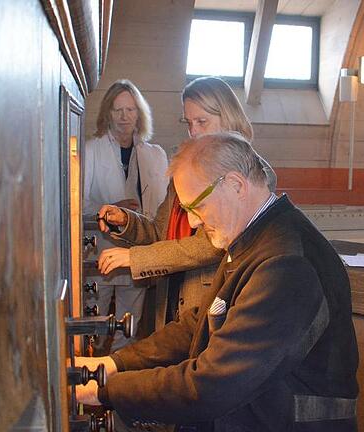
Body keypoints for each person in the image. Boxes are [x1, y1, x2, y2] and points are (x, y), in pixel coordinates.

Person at [76, 132, 359, 431]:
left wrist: (106, 390)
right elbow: (199, 324)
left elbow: (213, 385)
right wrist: (116, 364)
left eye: (196, 207)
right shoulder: (251, 238)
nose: (194, 222)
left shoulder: (286, 264)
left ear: (235, 185)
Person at [94, 77, 276, 332]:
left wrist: (136, 257)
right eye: (189, 123)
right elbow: (160, 231)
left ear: (228, 116)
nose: (194, 132)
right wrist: (127, 221)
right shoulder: (189, 166)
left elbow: (210, 245)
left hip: (209, 298)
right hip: (172, 294)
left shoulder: (252, 172)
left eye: (202, 121)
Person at [82, 79, 168, 351]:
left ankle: (120, 375)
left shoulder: (155, 154)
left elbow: (162, 205)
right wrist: (112, 208)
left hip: (138, 250)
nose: (124, 116)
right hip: (100, 250)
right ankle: (89, 370)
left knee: (130, 322)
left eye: (130, 110)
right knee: (92, 318)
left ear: (139, 114)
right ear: (107, 112)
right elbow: (78, 204)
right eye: (117, 110)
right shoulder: (92, 149)